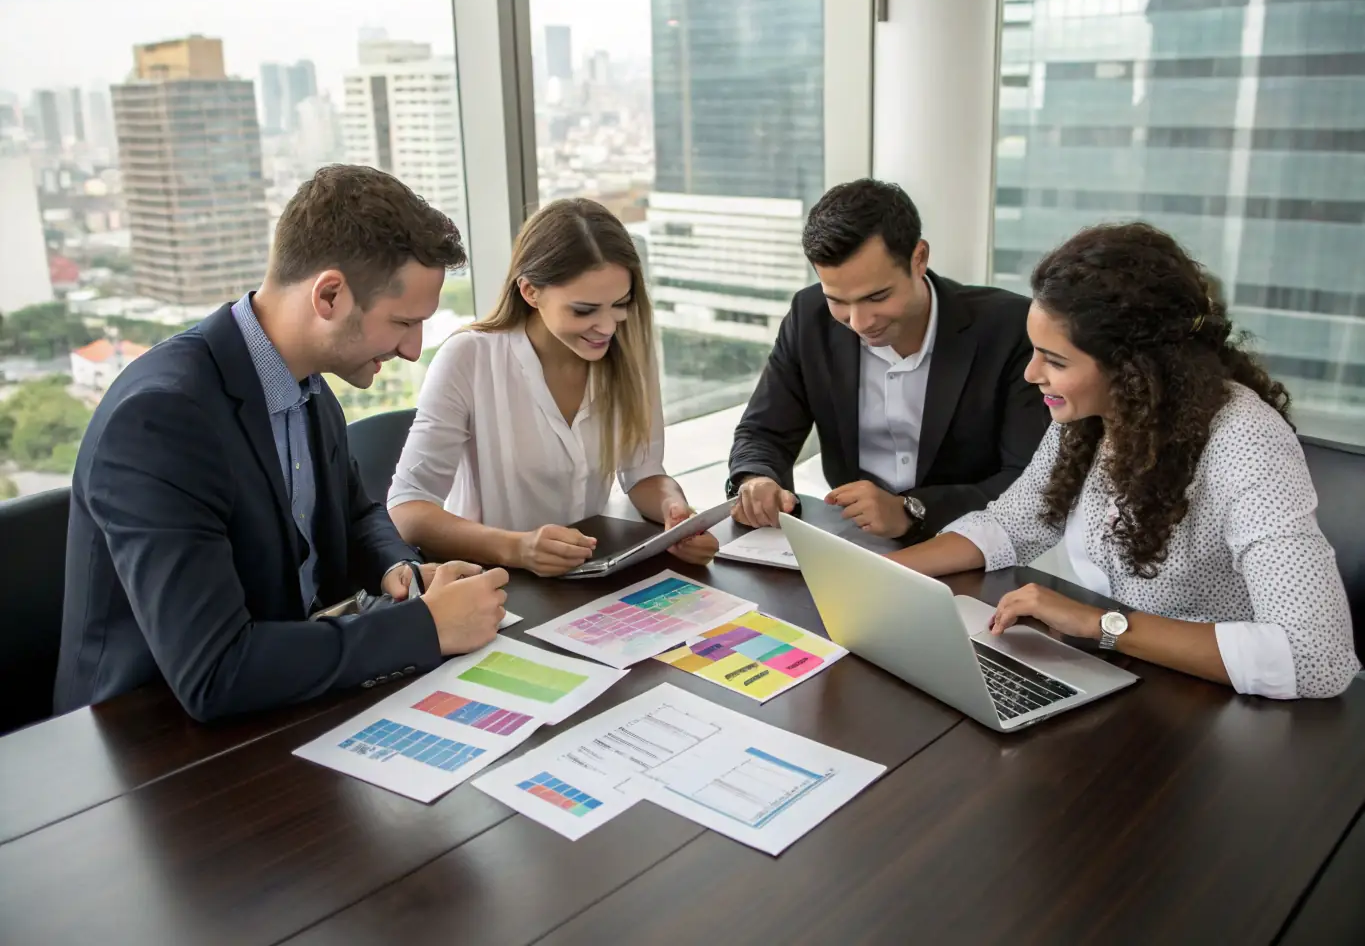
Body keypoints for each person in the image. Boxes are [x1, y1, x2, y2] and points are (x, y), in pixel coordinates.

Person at [54, 165, 510, 722]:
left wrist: (400, 572)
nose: (414, 350)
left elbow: (355, 513)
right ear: (330, 296)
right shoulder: (161, 419)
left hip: (281, 705)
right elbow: (215, 671)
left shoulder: (308, 382)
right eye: (403, 323)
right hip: (146, 746)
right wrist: (425, 627)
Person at [890, 222, 1359, 699]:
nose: (1033, 374)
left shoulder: (1246, 442)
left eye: (1055, 361)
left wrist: (1099, 624)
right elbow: (1014, 523)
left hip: (1230, 708)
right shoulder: (1096, 411)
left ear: (1133, 369)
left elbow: (1317, 658)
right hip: (1135, 676)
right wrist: (885, 578)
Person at [388, 198, 719, 577]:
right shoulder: (470, 357)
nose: (608, 327)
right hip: (494, 585)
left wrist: (675, 513)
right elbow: (408, 510)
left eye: (620, 304)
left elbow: (643, 473)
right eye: (584, 310)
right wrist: (520, 548)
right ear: (530, 292)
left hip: (587, 578)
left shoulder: (629, 353)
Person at [728, 178, 1049, 539]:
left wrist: (913, 510)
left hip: (974, 542)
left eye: (877, 297)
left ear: (919, 258)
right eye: (838, 300)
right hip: (854, 539)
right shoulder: (810, 315)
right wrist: (757, 479)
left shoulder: (1008, 329)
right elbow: (763, 431)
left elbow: (1028, 478)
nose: (859, 323)